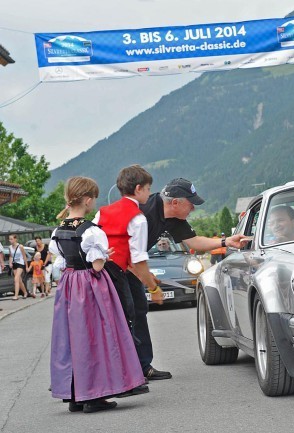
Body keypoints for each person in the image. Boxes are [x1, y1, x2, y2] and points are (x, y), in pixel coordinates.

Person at [134, 178, 249, 379]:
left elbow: (194, 241)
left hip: (132, 265)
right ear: (175, 203)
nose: (194, 208)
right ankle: (126, 373)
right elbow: (126, 252)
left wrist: (225, 241)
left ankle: (143, 368)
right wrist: (151, 285)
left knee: (138, 311)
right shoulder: (142, 212)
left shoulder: (174, 218)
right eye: (191, 202)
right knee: (126, 314)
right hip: (114, 267)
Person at [50, 176, 145, 414]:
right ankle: (94, 395)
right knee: (95, 337)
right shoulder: (91, 231)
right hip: (90, 286)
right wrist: (105, 255)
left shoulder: (58, 230)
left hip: (69, 285)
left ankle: (75, 395)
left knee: (72, 338)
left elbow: (62, 263)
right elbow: (97, 267)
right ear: (88, 199)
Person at [94, 165, 163, 385]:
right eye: (148, 188)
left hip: (100, 273)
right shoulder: (138, 218)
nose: (150, 194)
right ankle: (133, 373)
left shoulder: (102, 212)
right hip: (120, 274)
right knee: (129, 319)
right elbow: (138, 260)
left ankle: (126, 370)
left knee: (112, 322)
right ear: (139, 188)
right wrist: (153, 287)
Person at [8, 234, 33, 300]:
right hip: (14, 263)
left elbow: (24, 256)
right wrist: (10, 262)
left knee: (16, 278)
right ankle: (25, 292)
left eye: (11, 239)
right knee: (19, 280)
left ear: (15, 239)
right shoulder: (10, 247)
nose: (10, 240)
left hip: (20, 263)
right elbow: (11, 256)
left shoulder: (20, 246)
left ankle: (16, 296)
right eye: (9, 239)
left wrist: (27, 266)